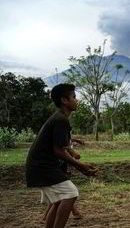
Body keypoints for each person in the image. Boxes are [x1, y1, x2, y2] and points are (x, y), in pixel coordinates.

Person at [26, 83, 97, 228]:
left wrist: (81, 168)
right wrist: (81, 165)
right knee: (71, 193)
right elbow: (58, 151)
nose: (77, 100)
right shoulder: (60, 120)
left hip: (40, 166)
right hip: (42, 167)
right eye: (74, 97)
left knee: (58, 200)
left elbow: (61, 148)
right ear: (64, 100)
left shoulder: (59, 118)